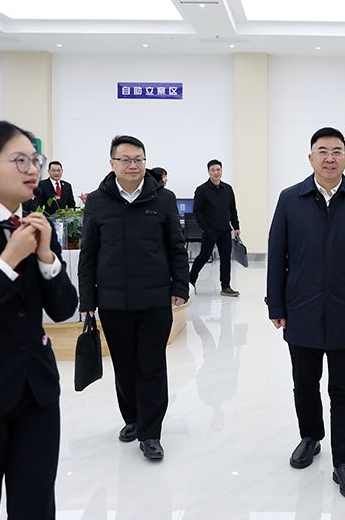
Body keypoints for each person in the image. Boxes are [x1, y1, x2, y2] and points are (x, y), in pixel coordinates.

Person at [0, 120, 78, 519]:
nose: (33, 170)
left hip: (37, 392)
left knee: (36, 504)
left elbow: (63, 309)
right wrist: (8, 260)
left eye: (35, 159)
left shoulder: (37, 225)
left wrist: (46, 258)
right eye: (19, 161)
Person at [266, 127, 345, 500]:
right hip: (302, 308)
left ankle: (344, 461)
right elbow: (276, 255)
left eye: (337, 151)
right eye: (322, 150)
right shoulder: (290, 200)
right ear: (310, 157)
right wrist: (276, 304)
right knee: (305, 382)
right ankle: (311, 437)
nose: (330, 157)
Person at [78, 135, 189, 461]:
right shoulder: (97, 201)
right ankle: (133, 419)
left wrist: (180, 287)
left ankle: (150, 433)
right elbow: (89, 254)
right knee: (124, 366)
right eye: (125, 159)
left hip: (155, 300)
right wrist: (87, 301)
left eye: (138, 159)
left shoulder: (163, 199)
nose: (133, 165)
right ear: (112, 163)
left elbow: (176, 246)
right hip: (113, 302)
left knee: (152, 366)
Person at [189, 159, 240, 297]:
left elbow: (232, 209)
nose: (216, 172)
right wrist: (206, 228)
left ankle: (226, 287)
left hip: (225, 230)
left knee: (226, 258)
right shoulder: (202, 190)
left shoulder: (228, 189)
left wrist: (236, 226)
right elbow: (197, 212)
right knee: (204, 256)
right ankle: (189, 282)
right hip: (210, 230)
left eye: (218, 169)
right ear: (208, 172)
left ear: (221, 170)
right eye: (213, 170)